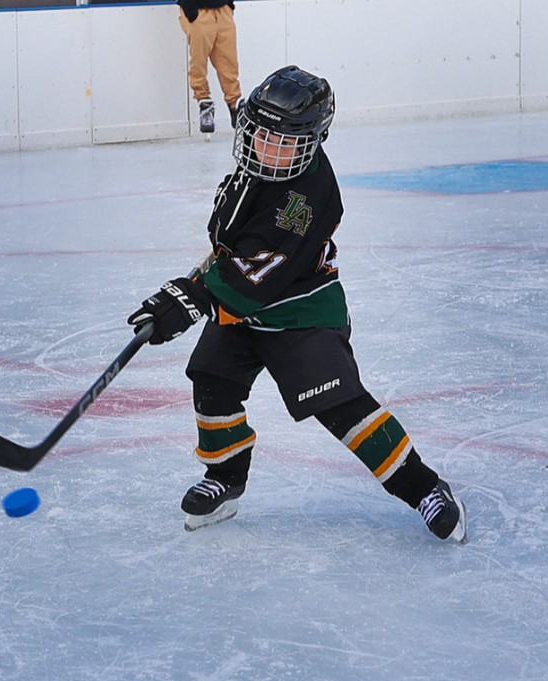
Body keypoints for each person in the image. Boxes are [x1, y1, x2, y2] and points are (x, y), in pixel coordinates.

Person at [126, 65, 468, 542]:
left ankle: (425, 488)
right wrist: (184, 291)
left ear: (311, 140)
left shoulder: (306, 196)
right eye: (261, 133)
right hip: (245, 304)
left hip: (298, 312)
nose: (268, 147)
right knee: (211, 379)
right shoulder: (253, 170)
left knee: (340, 407)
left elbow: (261, 270)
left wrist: (197, 297)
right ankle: (225, 478)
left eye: (283, 142)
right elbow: (231, 247)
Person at [178, 0, 241, 135]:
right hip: (198, 11)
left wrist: (229, 5)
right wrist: (190, 9)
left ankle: (235, 106)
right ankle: (204, 102)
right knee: (199, 62)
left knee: (229, 62)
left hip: (223, 10)